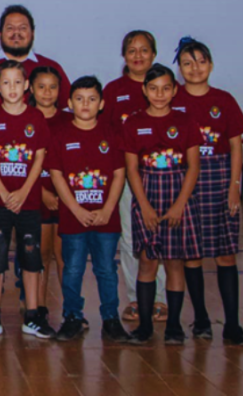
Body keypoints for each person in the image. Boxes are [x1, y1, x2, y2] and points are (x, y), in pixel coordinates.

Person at [171, 38, 243, 346]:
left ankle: (232, 325)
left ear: (211, 64)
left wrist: (235, 188)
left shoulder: (224, 100)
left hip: (219, 180)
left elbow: (236, 147)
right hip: (183, 182)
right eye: (187, 63)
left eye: (201, 61)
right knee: (191, 255)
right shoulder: (172, 99)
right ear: (179, 69)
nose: (195, 68)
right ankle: (202, 320)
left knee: (225, 254)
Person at [45, 76, 133, 343]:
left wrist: (107, 209)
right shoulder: (60, 135)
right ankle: (72, 316)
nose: (85, 104)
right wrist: (75, 209)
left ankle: (111, 319)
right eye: (80, 99)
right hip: (73, 219)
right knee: (72, 269)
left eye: (92, 99)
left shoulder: (112, 133)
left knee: (106, 269)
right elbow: (56, 175)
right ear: (70, 103)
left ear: (102, 104)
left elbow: (119, 174)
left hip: (106, 219)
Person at [121, 63, 202, 345]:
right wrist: (143, 205)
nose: (159, 94)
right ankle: (144, 326)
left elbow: (193, 166)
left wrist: (180, 205)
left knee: (174, 263)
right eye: (153, 88)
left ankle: (174, 326)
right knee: (147, 262)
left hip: (178, 199)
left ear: (174, 90)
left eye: (166, 88)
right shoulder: (133, 123)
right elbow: (132, 169)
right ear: (144, 90)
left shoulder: (185, 122)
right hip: (147, 197)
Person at [0, 60, 52, 341]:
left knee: (31, 257)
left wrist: (23, 192)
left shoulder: (36, 117)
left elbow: (39, 158)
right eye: (6, 82)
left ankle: (32, 315)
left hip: (28, 202)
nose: (12, 87)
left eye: (18, 82)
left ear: (26, 86)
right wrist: (2, 191)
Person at [103, 30, 168, 322]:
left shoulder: (166, 87)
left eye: (144, 50)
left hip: (164, 178)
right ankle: (135, 299)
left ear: (153, 54)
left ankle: (160, 299)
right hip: (127, 178)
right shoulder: (113, 90)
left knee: (162, 237)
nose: (138, 55)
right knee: (130, 239)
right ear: (124, 55)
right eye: (132, 50)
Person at [0, 5, 71, 112]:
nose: (16, 33)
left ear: (33, 33)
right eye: (10, 28)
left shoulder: (51, 67)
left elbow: (68, 109)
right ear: (0, 34)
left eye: (23, 28)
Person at [29, 66, 69, 324]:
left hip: (66, 199)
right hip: (36, 197)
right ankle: (39, 309)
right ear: (31, 89)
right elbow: (19, 163)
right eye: (41, 87)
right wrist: (41, 192)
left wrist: (66, 194)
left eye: (52, 87)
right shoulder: (25, 118)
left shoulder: (68, 120)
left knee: (65, 257)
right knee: (40, 255)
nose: (47, 92)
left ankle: (71, 310)